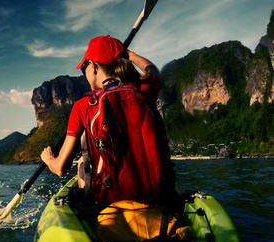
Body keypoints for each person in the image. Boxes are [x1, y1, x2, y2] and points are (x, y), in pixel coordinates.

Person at [41, 35, 176, 208]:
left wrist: (49, 159)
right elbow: (152, 71)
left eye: (84, 67)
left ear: (94, 67)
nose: (84, 73)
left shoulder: (83, 105)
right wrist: (130, 54)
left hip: (110, 206)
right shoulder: (144, 91)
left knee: (82, 165)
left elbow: (60, 168)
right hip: (157, 201)